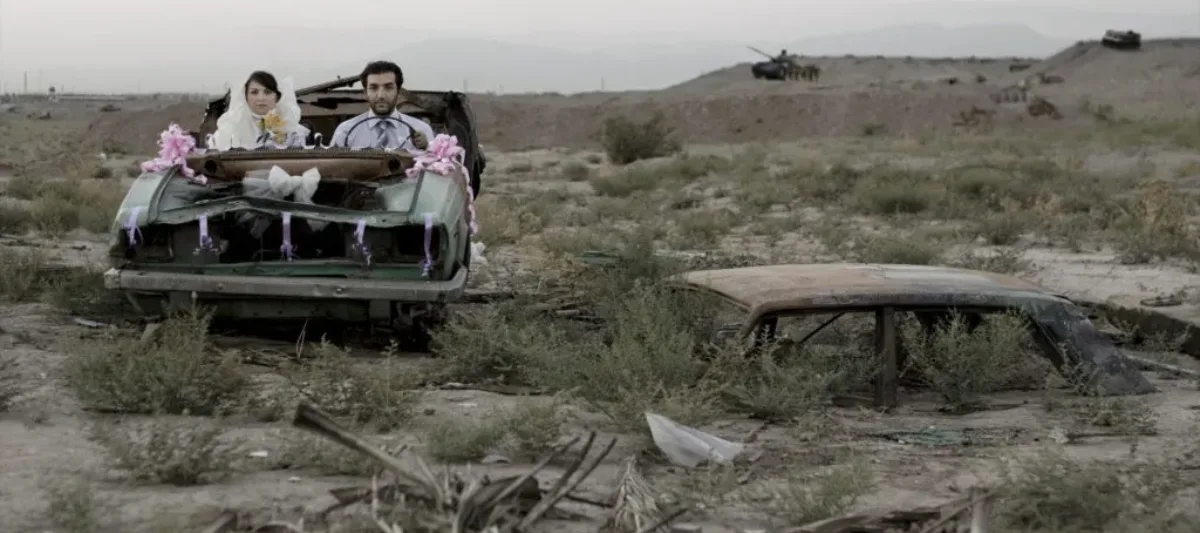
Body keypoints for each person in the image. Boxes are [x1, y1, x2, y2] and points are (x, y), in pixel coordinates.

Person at [329, 61, 435, 153]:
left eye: (388, 88)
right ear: (365, 92)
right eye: (373, 88)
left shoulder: (422, 129)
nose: (381, 95)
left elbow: (437, 169)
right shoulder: (345, 131)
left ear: (398, 91)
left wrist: (426, 149)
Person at [211, 71, 310, 150]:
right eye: (254, 92)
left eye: (267, 92)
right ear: (245, 96)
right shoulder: (231, 129)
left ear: (277, 97)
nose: (261, 98)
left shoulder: (293, 130)